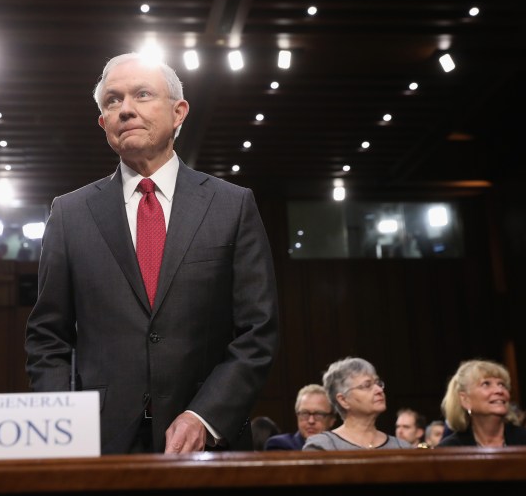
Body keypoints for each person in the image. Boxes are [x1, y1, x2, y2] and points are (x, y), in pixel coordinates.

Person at [24, 52, 280, 455]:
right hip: (99, 445)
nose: (125, 109)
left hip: (208, 442)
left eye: (142, 95)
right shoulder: (69, 214)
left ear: (179, 112)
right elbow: (47, 338)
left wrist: (206, 415)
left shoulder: (232, 205)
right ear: (102, 123)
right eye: (112, 101)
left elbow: (258, 330)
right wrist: (66, 426)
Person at [302, 357, 411, 450]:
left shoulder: (402, 447)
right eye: (367, 385)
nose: (379, 390)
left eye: (378, 383)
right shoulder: (323, 447)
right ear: (343, 400)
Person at [437, 359, 526, 447]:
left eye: (502, 384)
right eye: (486, 384)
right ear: (465, 399)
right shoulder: (448, 449)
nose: (499, 391)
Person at [265, 384, 337, 450]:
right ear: (297, 416)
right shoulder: (279, 445)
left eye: (318, 414)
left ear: (332, 420)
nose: (311, 421)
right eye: (305, 414)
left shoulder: (342, 448)